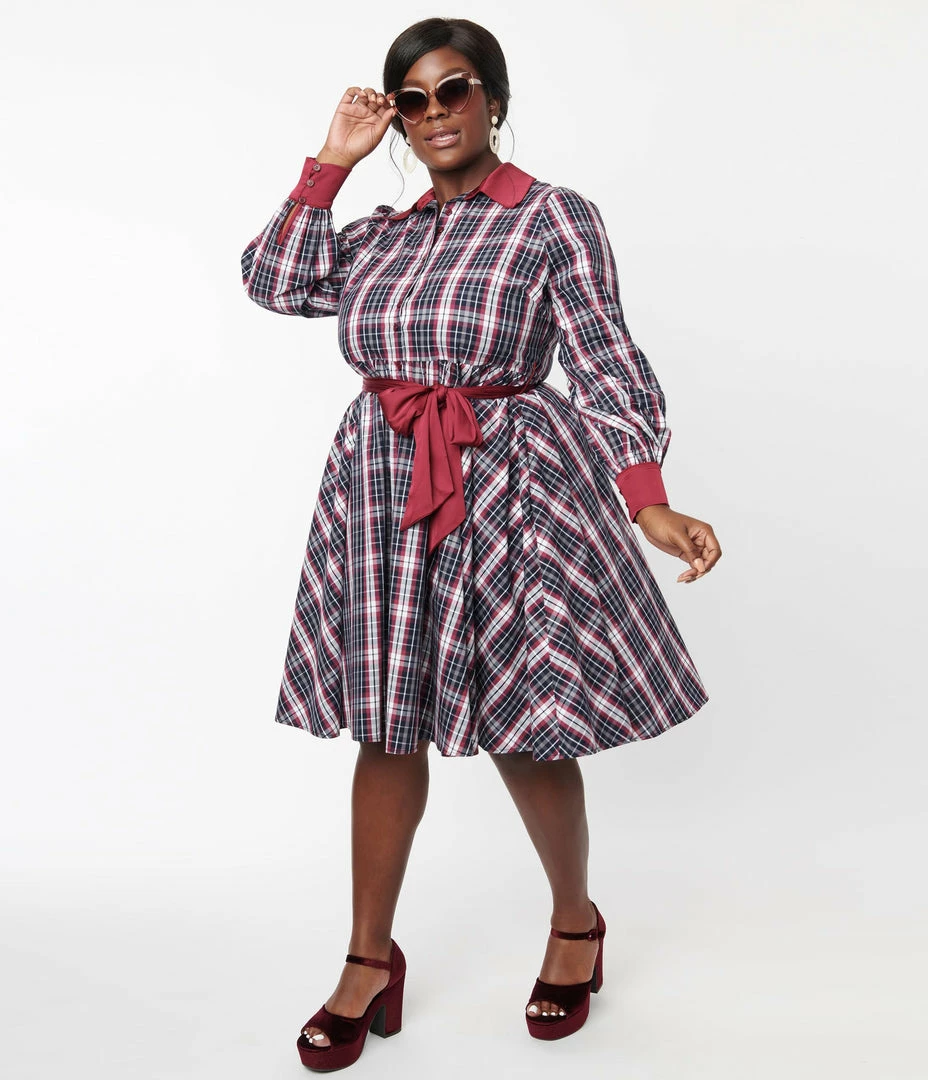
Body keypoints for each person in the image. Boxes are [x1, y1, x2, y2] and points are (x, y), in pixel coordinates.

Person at [241, 15, 722, 1070]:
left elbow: (603, 354)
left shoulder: (551, 217)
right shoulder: (380, 234)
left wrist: (646, 498)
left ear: (493, 100)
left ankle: (575, 924)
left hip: (511, 484)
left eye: (453, 89)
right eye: (411, 101)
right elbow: (275, 282)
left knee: (526, 724)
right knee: (385, 724)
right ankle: (368, 958)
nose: (433, 113)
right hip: (382, 484)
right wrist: (331, 161)